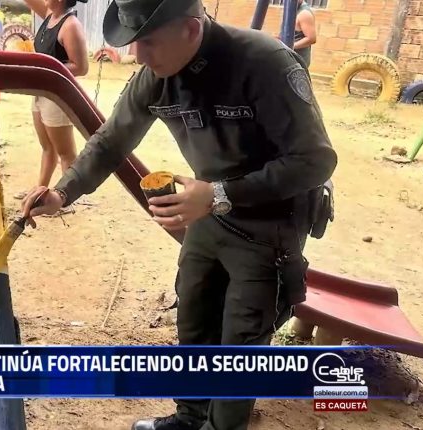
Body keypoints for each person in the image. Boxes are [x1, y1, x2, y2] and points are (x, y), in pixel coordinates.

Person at [20, 0, 337, 429]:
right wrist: (62, 192)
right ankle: (189, 418)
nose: (137, 55)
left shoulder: (265, 62)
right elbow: (111, 141)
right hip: (208, 213)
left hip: (270, 225)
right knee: (194, 320)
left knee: (241, 345)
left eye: (147, 41)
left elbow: (315, 161)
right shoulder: (157, 74)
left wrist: (219, 194)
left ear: (190, 30)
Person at [14, 0, 89, 215]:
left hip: (58, 95)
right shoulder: (50, 14)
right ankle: (40, 192)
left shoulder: (70, 25)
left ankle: (67, 199)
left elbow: (81, 67)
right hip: (41, 90)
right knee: (47, 147)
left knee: (66, 152)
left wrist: (46, 70)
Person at [293, 0, 316, 68]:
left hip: (298, 62)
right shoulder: (292, 9)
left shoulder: (304, 14)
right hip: (291, 58)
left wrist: (290, 47)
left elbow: (311, 39)